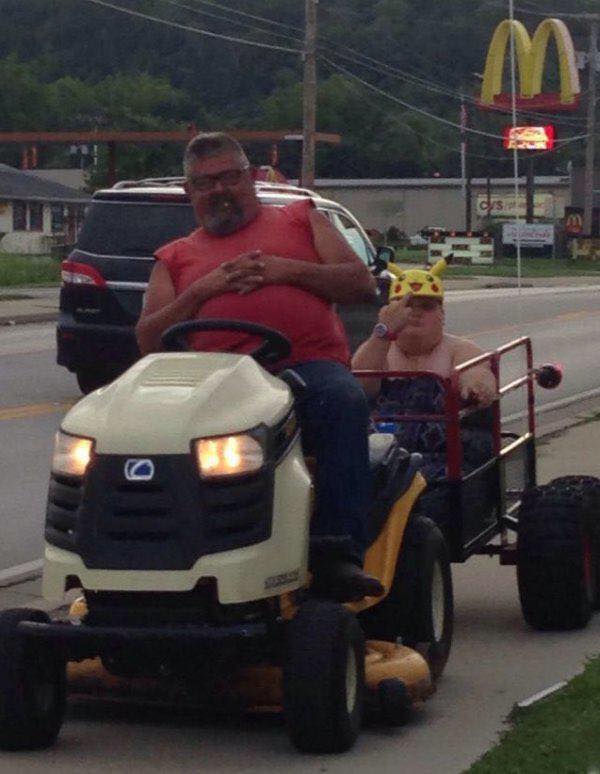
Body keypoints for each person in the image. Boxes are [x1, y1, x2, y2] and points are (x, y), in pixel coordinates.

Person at [136, 131, 382, 601]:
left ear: (251, 177)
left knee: (343, 399)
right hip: (214, 384)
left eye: (230, 177)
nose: (219, 190)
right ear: (189, 191)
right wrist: (202, 291)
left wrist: (285, 270)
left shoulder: (301, 219)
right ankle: (153, 553)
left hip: (305, 369)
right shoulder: (174, 257)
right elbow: (147, 339)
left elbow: (361, 284)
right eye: (205, 182)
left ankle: (337, 554)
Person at [352, 259, 496, 519]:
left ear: (442, 315)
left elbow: (478, 372)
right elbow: (360, 387)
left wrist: (476, 387)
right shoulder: (378, 349)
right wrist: (383, 333)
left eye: (427, 307)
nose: (415, 313)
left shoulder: (459, 349)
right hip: (384, 455)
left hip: (443, 458)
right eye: (406, 306)